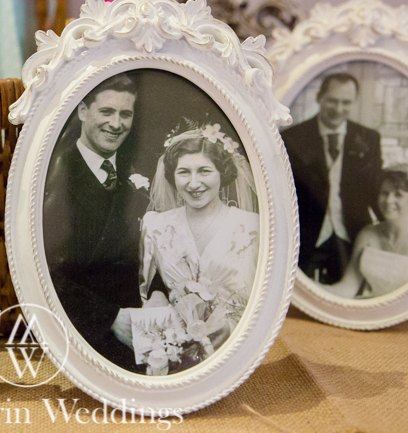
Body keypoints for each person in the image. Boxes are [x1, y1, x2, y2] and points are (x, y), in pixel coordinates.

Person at [43, 72, 150, 372]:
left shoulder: (138, 170)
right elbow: (44, 272)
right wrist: (109, 318)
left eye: (125, 114)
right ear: (82, 111)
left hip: (143, 331)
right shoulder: (56, 176)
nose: (116, 124)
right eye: (106, 111)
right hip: (85, 342)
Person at [134, 126, 259, 375]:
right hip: (173, 354)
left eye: (204, 171)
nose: (194, 183)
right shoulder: (156, 225)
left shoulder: (252, 226)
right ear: (172, 176)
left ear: (222, 174)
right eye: (184, 172)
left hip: (239, 354)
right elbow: (146, 291)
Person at [281, 73, 382, 285]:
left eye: (345, 103)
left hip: (352, 236)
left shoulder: (369, 139)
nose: (338, 109)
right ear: (319, 98)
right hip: (305, 237)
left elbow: (375, 190)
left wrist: (386, 230)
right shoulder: (293, 138)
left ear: (353, 102)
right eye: (332, 101)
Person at [326, 165, 408, 298]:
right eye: (384, 193)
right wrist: (316, 290)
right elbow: (348, 287)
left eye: (398, 195)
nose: (388, 200)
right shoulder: (367, 235)